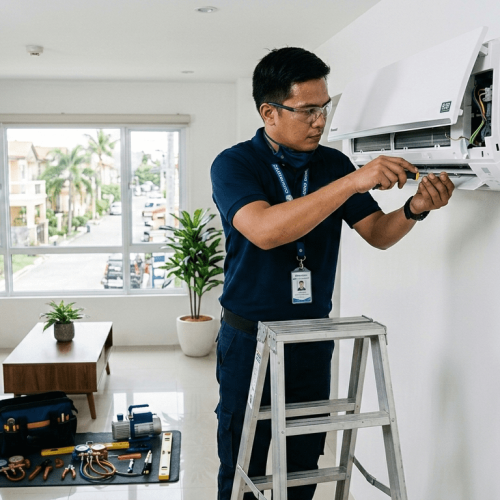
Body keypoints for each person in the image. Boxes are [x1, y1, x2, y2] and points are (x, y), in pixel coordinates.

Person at [211, 47, 453, 500]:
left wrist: (416, 208)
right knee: (243, 461)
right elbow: (264, 230)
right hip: (250, 339)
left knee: (304, 462)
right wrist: (352, 182)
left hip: (310, 338)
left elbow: (378, 233)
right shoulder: (234, 164)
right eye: (308, 111)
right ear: (270, 112)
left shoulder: (333, 164)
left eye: (324, 109)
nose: (320, 121)